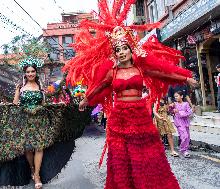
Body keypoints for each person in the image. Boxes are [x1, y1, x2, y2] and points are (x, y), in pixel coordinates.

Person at [63, 1, 197, 188]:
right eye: (117, 50)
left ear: (131, 49)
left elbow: (163, 73)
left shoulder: (140, 68)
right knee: (121, 154)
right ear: (115, 53)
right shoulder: (113, 72)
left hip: (140, 114)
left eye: (124, 48)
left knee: (145, 153)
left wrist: (185, 78)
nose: (121, 52)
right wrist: (86, 99)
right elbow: (99, 87)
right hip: (120, 116)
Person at [13, 64, 44, 189]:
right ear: (25, 73)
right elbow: (15, 104)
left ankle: (37, 175)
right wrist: (16, 91)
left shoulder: (40, 87)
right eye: (28, 72)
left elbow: (43, 105)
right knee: (28, 149)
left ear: (36, 72)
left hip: (38, 121)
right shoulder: (21, 88)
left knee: (39, 147)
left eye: (32, 71)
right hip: (25, 121)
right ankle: (32, 169)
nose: (30, 74)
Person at [170, 91, 193, 158]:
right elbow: (171, 112)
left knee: (187, 137)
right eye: (175, 97)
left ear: (182, 96)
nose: (176, 97)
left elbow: (189, 112)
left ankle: (184, 150)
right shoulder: (174, 104)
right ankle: (183, 150)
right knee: (184, 136)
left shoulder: (186, 104)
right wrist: (171, 108)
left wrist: (180, 112)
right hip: (178, 122)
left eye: (177, 96)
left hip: (185, 122)